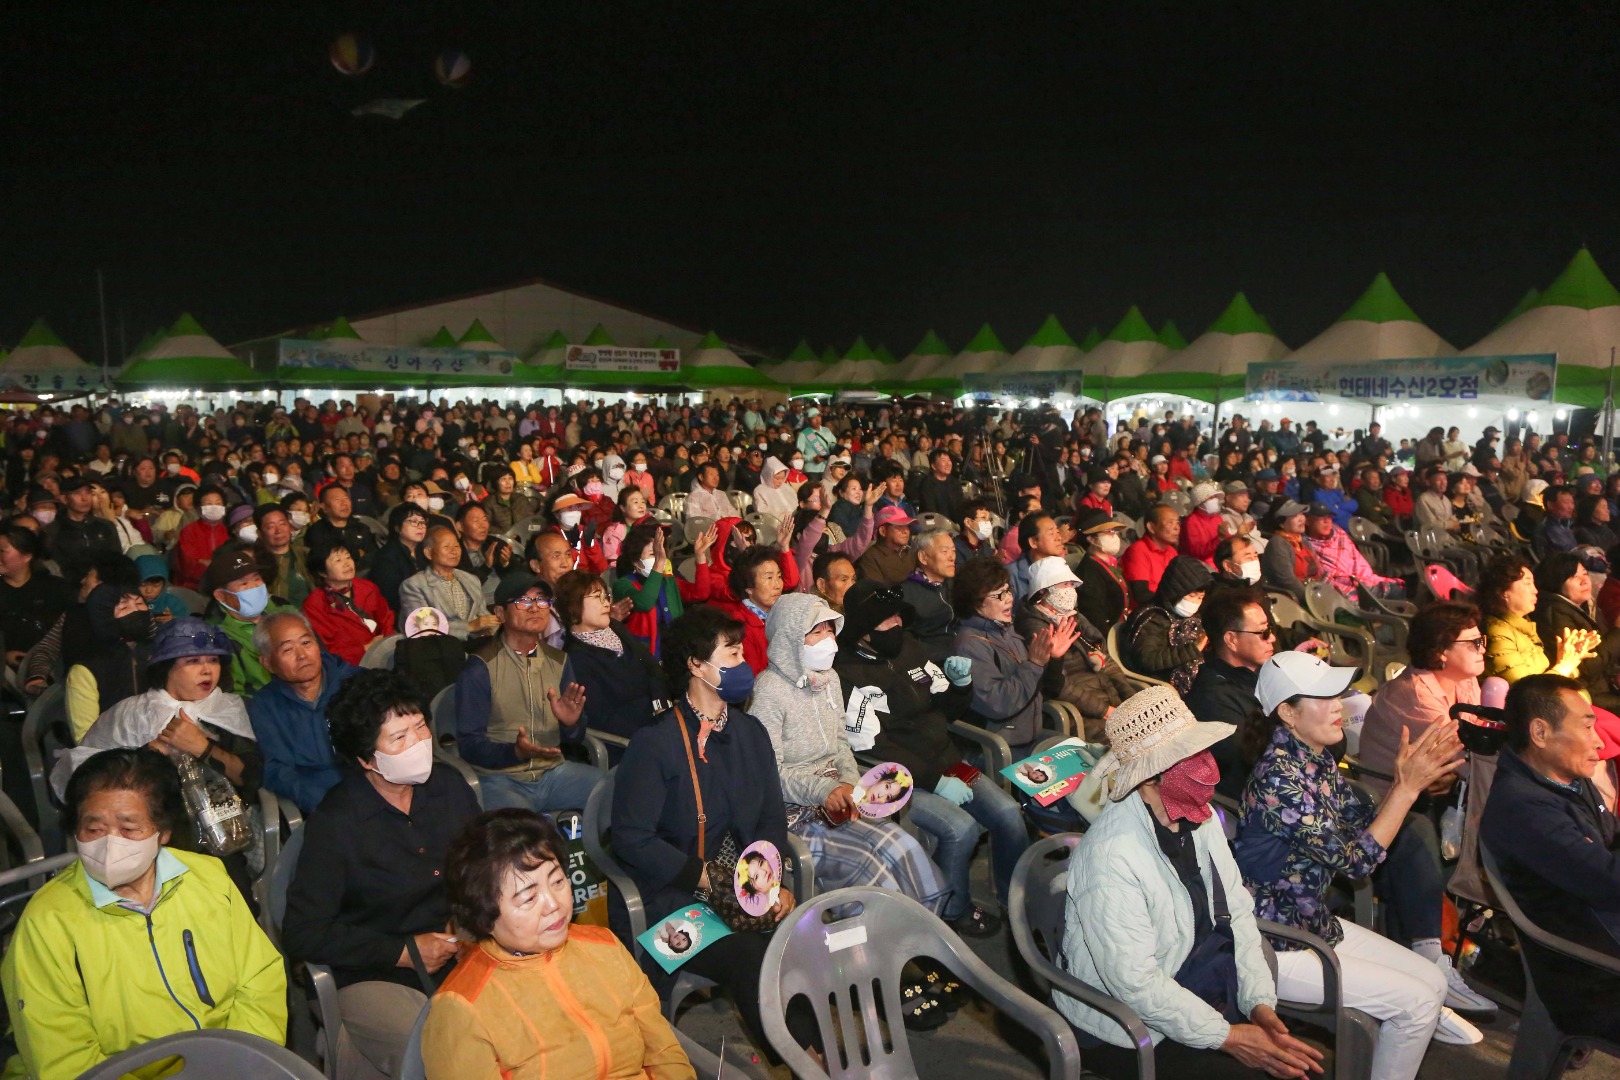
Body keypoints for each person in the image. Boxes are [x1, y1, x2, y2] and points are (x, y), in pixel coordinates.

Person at [1055, 686, 1320, 1080]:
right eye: (1187, 756)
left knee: (1300, 1069)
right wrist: (1229, 1036)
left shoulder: (1201, 818)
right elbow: (1135, 985)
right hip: (1124, 1022)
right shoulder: (1110, 859)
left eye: (1203, 750)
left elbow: (1237, 912)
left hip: (1191, 974)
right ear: (1149, 776)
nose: (1207, 765)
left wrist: (1259, 1004)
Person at [1237, 653, 1486, 1072]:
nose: (1340, 705)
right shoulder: (1278, 778)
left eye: (1338, 694)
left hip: (1310, 924)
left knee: (1434, 981)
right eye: (1324, 697)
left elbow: (1365, 826)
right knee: (1419, 1001)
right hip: (1272, 941)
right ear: (1287, 713)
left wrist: (1408, 781)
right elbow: (1356, 862)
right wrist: (1405, 789)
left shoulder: (1312, 759)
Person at [0, 748, 286, 1080]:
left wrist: (238, 1065)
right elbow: (64, 1060)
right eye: (94, 829)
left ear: (162, 833)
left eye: (129, 828)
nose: (109, 844)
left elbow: (260, 980)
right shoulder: (47, 922)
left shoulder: (207, 878)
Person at [610, 607, 812, 1055]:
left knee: (799, 948)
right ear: (696, 666)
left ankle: (821, 1058)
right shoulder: (655, 742)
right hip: (671, 897)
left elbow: (769, 818)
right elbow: (631, 838)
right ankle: (806, 1062)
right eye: (733, 654)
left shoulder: (749, 732)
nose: (745, 665)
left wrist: (766, 878)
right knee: (752, 959)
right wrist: (710, 879)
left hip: (740, 886)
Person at [282, 668, 481, 1080]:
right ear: (365, 759)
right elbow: (304, 930)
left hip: (460, 948)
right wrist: (404, 951)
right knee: (442, 1052)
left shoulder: (449, 787)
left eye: (421, 727)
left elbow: (481, 865)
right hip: (375, 970)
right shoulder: (337, 822)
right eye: (400, 738)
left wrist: (465, 916)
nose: (419, 744)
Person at [422, 808, 696, 1080]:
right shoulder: (463, 1008)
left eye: (557, 881)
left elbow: (663, 1050)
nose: (554, 904)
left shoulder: (604, 946)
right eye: (529, 899)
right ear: (484, 916)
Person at [834, 580, 1028, 936]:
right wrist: (933, 781)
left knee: (1008, 813)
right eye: (886, 620)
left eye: (897, 616)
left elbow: (946, 709)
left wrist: (960, 684)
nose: (896, 624)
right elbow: (872, 748)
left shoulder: (909, 648)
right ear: (862, 632)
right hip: (891, 777)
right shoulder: (847, 674)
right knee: (960, 829)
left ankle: (1012, 895)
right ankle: (950, 911)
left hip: (946, 761)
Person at [752, 592, 951, 915]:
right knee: (876, 874)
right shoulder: (769, 692)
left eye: (831, 630)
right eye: (817, 632)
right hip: (796, 815)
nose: (828, 639)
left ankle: (928, 939)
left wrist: (848, 782)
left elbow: (841, 744)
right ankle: (886, 949)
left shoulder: (829, 679)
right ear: (791, 638)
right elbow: (769, 773)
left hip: (840, 802)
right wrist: (825, 789)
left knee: (906, 849)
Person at [1479, 674, 1620, 1046]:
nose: (1599, 740)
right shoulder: (1525, 809)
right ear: (1540, 733)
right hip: (1593, 977)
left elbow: (1609, 842)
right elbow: (1609, 879)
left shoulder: (1566, 780)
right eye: (1587, 727)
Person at [452, 572, 602, 814]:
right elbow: (469, 745)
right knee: (524, 830)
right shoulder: (481, 667)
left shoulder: (559, 660)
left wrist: (571, 725)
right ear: (500, 614)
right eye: (523, 601)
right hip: (500, 779)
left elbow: (574, 737)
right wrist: (515, 752)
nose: (535, 608)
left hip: (554, 773)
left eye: (542, 601)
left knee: (615, 789)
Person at [951, 556, 1077, 757]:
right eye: (999, 595)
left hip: (1030, 735)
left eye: (1008, 590)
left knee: (1083, 757)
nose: (1009, 598)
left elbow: (1048, 689)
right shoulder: (969, 645)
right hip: (1000, 749)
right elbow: (999, 704)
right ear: (976, 603)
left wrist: (1053, 659)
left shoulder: (1008, 631)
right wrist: (1034, 664)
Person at [1359, 601, 1482, 797]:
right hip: (1393, 802)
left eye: (1481, 641)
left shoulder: (1464, 678)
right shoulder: (1415, 697)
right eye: (1473, 643)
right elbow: (1470, 762)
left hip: (1438, 791)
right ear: (1441, 651)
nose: (1482, 650)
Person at [248, 609, 359, 814]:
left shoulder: (355, 682)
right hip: (320, 806)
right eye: (288, 650)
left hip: (372, 792)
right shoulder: (265, 704)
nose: (302, 655)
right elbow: (278, 771)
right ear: (267, 663)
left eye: (306, 643)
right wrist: (323, 804)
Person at [1014, 556, 1132, 739]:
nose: (1071, 590)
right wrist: (1105, 710)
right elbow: (1057, 684)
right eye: (1064, 584)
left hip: (1107, 698)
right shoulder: (1036, 629)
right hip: (1078, 713)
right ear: (1044, 592)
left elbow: (1105, 659)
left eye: (1072, 584)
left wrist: (1131, 699)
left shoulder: (1073, 617)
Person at [556, 569, 669, 750]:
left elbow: (653, 670)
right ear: (573, 607)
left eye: (605, 596)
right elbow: (603, 719)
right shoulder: (575, 658)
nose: (606, 602)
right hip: (629, 743)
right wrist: (653, 735)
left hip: (658, 721)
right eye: (596, 597)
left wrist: (662, 708)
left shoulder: (616, 628)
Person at [1481, 553, 1596, 685]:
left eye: (1534, 584)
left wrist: (1571, 658)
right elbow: (1527, 691)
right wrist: (1564, 666)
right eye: (1528, 584)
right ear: (1503, 592)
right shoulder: (1497, 634)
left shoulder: (1524, 626)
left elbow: (1548, 676)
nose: (1535, 590)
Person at [64, 581, 155, 740]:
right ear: (104, 617)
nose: (137, 611)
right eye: (124, 607)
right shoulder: (87, 669)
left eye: (140, 603)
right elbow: (86, 738)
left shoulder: (158, 653)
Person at [204, 545, 297, 698]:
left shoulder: (286, 611)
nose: (255, 586)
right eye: (244, 584)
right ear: (221, 596)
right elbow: (234, 697)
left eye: (257, 579)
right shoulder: (219, 638)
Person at [1534, 550, 1620, 711]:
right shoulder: (1555, 612)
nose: (1584, 581)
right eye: (1574, 577)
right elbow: (1585, 668)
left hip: (1604, 686)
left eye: (1585, 573)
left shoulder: (1576, 607)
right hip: (1587, 696)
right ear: (1555, 581)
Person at [1122, 555, 1211, 693]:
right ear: (1175, 591)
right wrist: (1192, 649)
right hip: (1160, 686)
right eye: (1191, 596)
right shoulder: (1151, 618)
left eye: (1200, 598)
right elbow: (1147, 660)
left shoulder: (1187, 617)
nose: (1195, 603)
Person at [303, 538, 396, 665]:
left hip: (382, 653)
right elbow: (326, 650)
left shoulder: (367, 587)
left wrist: (385, 642)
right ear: (322, 572)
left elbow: (386, 618)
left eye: (348, 557)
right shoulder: (315, 605)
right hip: (349, 666)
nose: (347, 563)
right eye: (338, 560)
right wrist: (365, 649)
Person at [398, 524, 499, 640]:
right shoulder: (414, 585)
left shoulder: (471, 580)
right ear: (428, 553)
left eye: (456, 546)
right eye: (446, 547)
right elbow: (422, 627)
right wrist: (468, 627)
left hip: (476, 645)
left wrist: (491, 629)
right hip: (439, 650)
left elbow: (483, 615)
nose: (453, 551)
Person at [1303, 501, 1403, 600]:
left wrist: (1366, 580)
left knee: (1398, 586)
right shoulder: (1307, 545)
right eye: (1320, 518)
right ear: (1308, 521)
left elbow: (1357, 560)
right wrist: (1356, 583)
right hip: (1342, 589)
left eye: (1329, 517)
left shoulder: (1338, 534)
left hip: (1362, 580)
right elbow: (1327, 574)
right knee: (1394, 592)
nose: (1327, 521)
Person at [899, 528, 958, 662]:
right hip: (935, 663)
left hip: (966, 652)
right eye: (945, 551)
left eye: (953, 551)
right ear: (923, 557)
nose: (952, 557)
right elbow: (906, 642)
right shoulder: (906, 593)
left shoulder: (958, 584)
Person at [368, 500, 428, 614]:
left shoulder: (425, 551)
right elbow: (390, 598)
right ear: (397, 528)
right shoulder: (385, 557)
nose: (420, 526)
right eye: (413, 522)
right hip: (401, 613)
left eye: (422, 522)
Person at [1259, 499, 1320, 602]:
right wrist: (1311, 600)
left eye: (1301, 514)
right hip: (1293, 599)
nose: (1301, 519)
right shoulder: (1278, 543)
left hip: (1314, 593)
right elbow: (1286, 580)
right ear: (1282, 524)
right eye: (1295, 516)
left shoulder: (1304, 543)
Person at [1121, 504, 1181, 605]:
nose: (1176, 528)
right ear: (1151, 527)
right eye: (1170, 523)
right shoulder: (1138, 551)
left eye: (1177, 523)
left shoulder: (1171, 551)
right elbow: (1141, 594)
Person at [856, 505, 918, 586]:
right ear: (883, 531)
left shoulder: (911, 552)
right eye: (899, 526)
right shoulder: (871, 558)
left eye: (907, 526)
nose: (906, 531)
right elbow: (876, 593)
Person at [1180, 480, 1224, 566]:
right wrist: (1219, 538)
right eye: (1210, 498)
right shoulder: (1191, 522)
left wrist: (1238, 535)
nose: (1215, 500)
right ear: (1200, 502)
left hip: (1219, 562)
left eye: (1215, 497)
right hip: (1200, 565)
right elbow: (1198, 552)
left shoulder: (1217, 518)